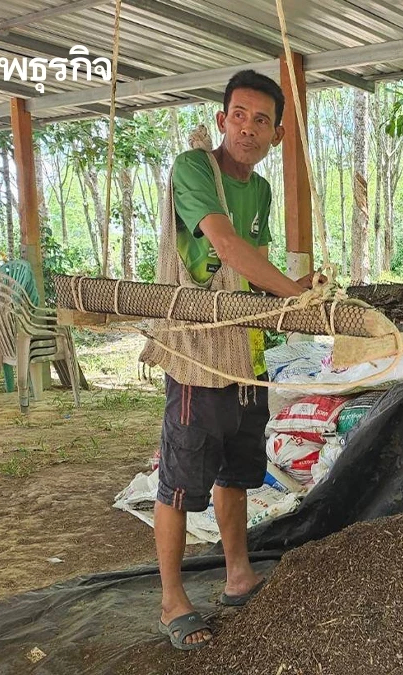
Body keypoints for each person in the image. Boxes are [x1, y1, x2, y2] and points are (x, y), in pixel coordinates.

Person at [138, 70, 318, 650]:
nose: (248, 128)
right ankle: (173, 602)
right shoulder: (194, 169)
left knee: (239, 468)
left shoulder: (260, 190)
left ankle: (238, 576)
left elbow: (254, 268)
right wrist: (296, 298)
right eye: (239, 115)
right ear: (222, 120)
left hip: (244, 350)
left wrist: (296, 290)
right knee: (181, 480)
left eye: (261, 120)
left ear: (276, 134)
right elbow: (225, 245)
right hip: (197, 350)